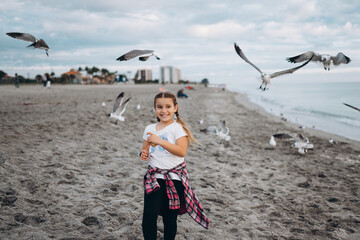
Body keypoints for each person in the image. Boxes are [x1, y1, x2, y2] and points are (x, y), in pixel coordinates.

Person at [140, 91, 209, 239]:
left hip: (174, 179)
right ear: (154, 109)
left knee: (169, 218)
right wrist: (143, 155)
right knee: (149, 217)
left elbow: (181, 151)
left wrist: (160, 141)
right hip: (154, 178)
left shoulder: (178, 128)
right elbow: (145, 151)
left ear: (175, 108)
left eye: (168, 106)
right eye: (159, 107)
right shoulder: (149, 129)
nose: (163, 110)